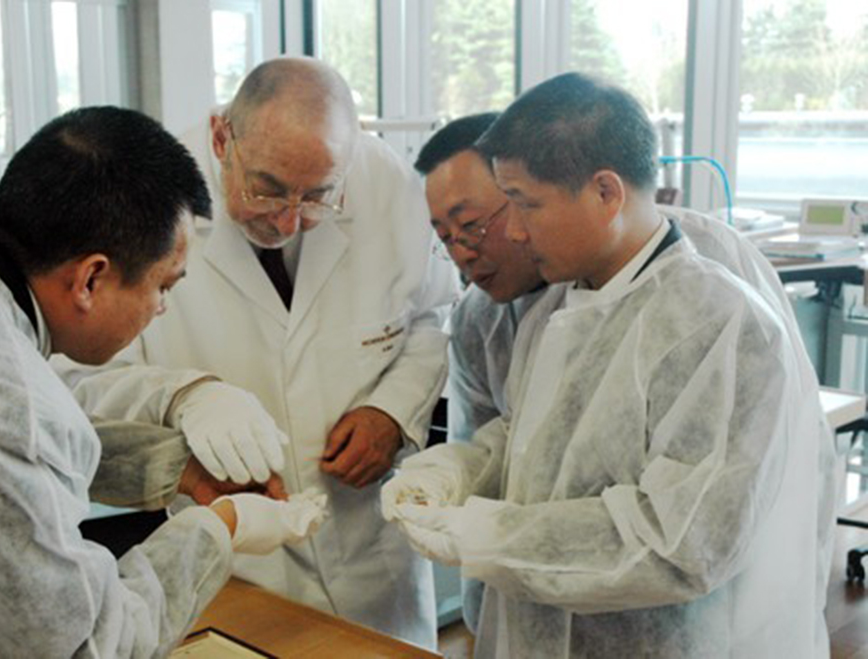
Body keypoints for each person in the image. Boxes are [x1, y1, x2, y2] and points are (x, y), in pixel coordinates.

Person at [383, 72, 837, 657]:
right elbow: (532, 440)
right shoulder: (563, 303)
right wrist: (456, 470)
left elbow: (682, 543)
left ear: (605, 192)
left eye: (525, 205)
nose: (515, 231)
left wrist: (488, 534)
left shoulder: (719, 322)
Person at [0, 106, 326, 657]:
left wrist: (174, 466)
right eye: (163, 287)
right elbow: (88, 646)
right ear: (90, 279)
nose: (161, 308)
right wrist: (220, 529)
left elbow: (7, 455)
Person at [56, 57, 458, 648]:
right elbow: (77, 375)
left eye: (317, 197)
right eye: (266, 189)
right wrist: (184, 397)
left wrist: (394, 412)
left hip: (370, 553)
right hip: (238, 560)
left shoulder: (387, 184)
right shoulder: (140, 200)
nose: (289, 220)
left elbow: (432, 316)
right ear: (222, 138)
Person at [415, 112, 547, 632]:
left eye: (471, 226)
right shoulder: (479, 321)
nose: (462, 254)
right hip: (523, 590)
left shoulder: (640, 292)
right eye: (444, 237)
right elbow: (483, 460)